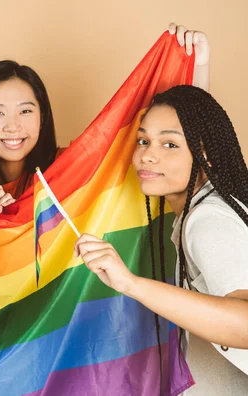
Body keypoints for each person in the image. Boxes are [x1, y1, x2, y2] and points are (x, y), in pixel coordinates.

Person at [74, 85, 248, 394]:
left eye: (169, 144)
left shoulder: (206, 221)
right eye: (143, 141)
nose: (147, 156)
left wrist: (130, 283)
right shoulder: (204, 209)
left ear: (204, 152)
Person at [0, 23, 210, 214]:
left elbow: (181, 142)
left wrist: (197, 67)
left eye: (26, 111)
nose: (13, 126)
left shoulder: (70, 168)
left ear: (42, 117)